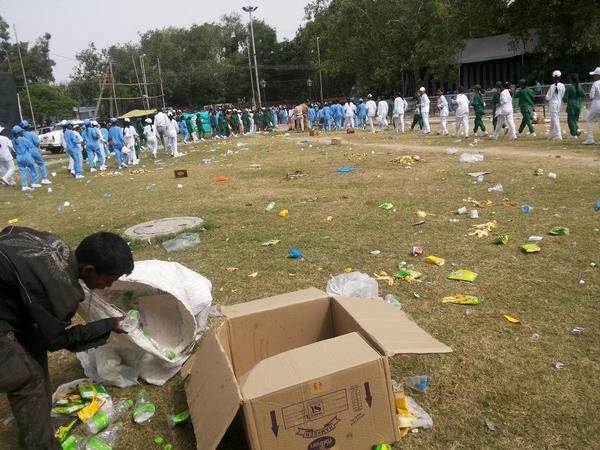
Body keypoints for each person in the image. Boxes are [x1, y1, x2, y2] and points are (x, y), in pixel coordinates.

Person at [0, 227, 133, 450]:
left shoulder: (54, 243)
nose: (107, 287)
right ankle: (41, 445)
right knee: (26, 379)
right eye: (108, 280)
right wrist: (108, 325)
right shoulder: (60, 287)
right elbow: (57, 340)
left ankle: (40, 423)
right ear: (89, 269)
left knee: (32, 343)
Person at [20, 120, 51, 185]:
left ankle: (34, 181)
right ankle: (44, 179)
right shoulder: (31, 134)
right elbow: (37, 143)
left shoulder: (21, 135)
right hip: (34, 150)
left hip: (26, 152)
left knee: (31, 167)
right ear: (28, 126)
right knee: (41, 164)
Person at [11, 126, 40, 191]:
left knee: (22, 172)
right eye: (21, 131)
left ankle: (24, 186)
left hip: (19, 157)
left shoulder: (12, 140)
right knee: (33, 169)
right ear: (19, 132)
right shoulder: (22, 139)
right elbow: (31, 145)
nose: (22, 132)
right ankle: (34, 183)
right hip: (26, 156)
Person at [545, 70, 565, 140]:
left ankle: (558, 134)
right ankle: (550, 133)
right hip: (559, 103)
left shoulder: (552, 86)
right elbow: (562, 95)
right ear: (560, 77)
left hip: (553, 103)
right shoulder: (562, 85)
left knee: (555, 119)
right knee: (553, 119)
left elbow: (547, 97)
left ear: (553, 78)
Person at [564, 74, 586, 139]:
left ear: (571, 80)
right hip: (578, 105)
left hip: (571, 106)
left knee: (570, 120)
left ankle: (573, 134)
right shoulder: (579, 86)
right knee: (575, 120)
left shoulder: (570, 87)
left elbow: (565, 98)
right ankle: (577, 130)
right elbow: (583, 95)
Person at [583, 67, 600, 145]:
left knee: (589, 120)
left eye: (595, 75)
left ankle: (590, 138)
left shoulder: (595, 83)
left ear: (598, 75)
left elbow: (591, 96)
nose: (594, 77)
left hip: (596, 104)